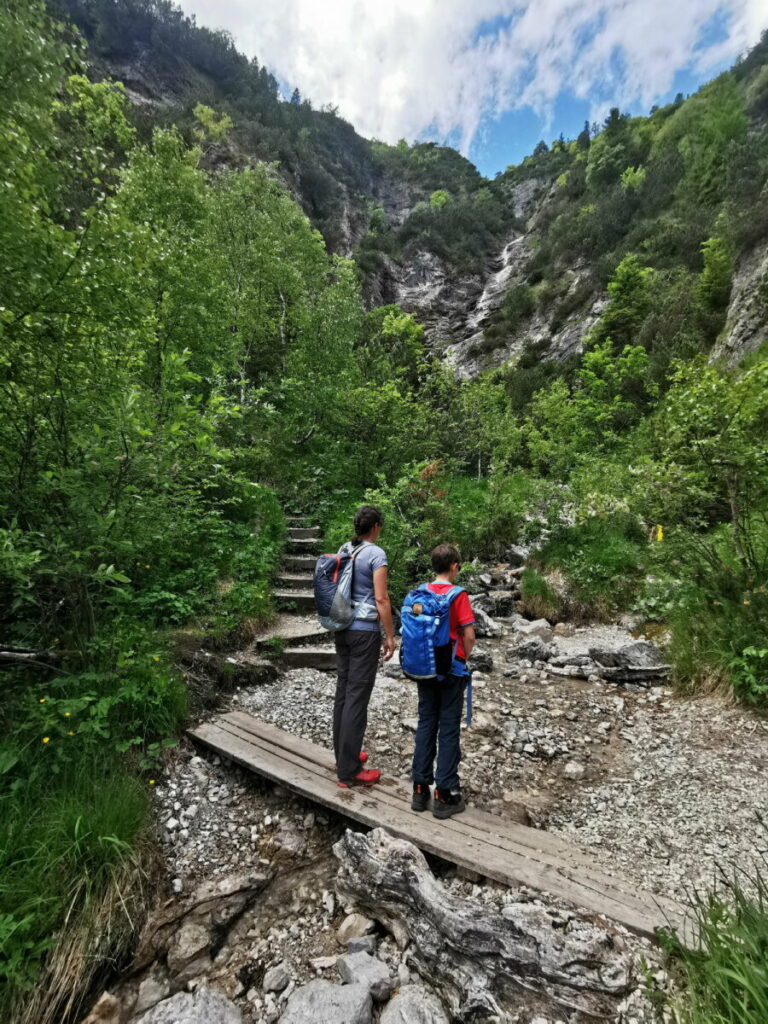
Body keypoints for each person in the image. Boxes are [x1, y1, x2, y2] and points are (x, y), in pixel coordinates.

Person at [333, 506, 396, 787]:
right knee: (357, 697)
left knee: (344, 692)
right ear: (376, 527)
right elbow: (381, 600)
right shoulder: (376, 554)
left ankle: (344, 755)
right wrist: (390, 636)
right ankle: (349, 771)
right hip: (364, 632)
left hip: (342, 627)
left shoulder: (345, 548)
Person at [411, 544, 475, 818]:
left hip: (424, 669)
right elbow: (469, 635)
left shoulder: (420, 593)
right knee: (448, 727)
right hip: (450, 672)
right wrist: (461, 659)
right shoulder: (458, 595)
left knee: (426, 722)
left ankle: (419, 789)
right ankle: (444, 793)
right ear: (454, 567)